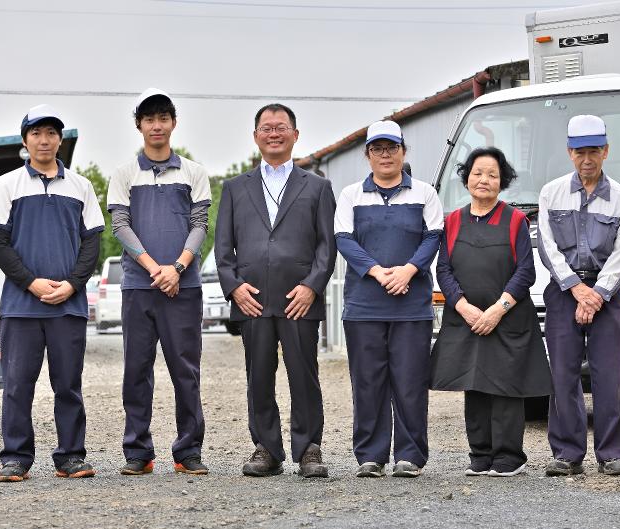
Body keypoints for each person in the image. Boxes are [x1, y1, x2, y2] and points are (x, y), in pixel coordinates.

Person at [215, 103, 336, 478]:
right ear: (256, 136)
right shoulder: (235, 188)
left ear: (295, 135)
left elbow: (327, 245)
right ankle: (266, 448)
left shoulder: (317, 186)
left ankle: (309, 448)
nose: (273, 133)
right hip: (252, 298)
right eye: (266, 128)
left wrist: (312, 286)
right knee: (258, 377)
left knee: (304, 375)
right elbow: (223, 248)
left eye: (281, 127)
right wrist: (234, 288)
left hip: (299, 298)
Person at [0, 104, 104, 482]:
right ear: (25, 140)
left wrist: (72, 285)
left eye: (51, 133)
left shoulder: (81, 186)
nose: (44, 140)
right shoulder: (7, 185)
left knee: (68, 385)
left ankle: (70, 456)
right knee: (18, 387)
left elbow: (92, 243)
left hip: (68, 307)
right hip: (21, 306)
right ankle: (16, 458)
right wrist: (31, 282)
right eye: (36, 133)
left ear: (60, 140)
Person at [107, 88, 211, 476]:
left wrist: (178, 268)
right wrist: (156, 269)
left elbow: (200, 225)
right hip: (139, 286)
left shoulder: (194, 172)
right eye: (149, 119)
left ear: (173, 123)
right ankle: (138, 451)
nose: (156, 125)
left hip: (184, 288)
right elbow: (121, 226)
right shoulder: (124, 174)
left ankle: (188, 451)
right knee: (136, 370)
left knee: (186, 370)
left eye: (163, 118)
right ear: (139, 125)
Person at [430, 147, 552, 477]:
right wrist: (463, 307)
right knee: (474, 385)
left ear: (502, 181)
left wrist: (498, 310)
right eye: (478, 173)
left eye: (492, 175)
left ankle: (509, 458)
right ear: (467, 178)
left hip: (508, 319)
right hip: (466, 319)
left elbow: (525, 272)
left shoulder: (515, 220)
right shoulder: (452, 221)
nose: (484, 179)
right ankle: (480, 455)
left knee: (506, 386)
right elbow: (443, 270)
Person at [334, 120, 443, 478]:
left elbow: (433, 237)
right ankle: (371, 455)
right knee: (368, 382)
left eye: (391, 148)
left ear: (403, 151)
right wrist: (379, 273)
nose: (385, 155)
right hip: (364, 307)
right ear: (367, 155)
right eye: (377, 149)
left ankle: (410, 455)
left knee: (410, 381)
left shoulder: (425, 193)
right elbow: (344, 240)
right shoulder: (351, 195)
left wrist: (408, 271)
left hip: (411, 306)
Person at [537, 115, 620, 476]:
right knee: (562, 375)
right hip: (564, 291)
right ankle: (567, 453)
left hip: (606, 294)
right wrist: (576, 289)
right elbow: (547, 247)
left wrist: (596, 295)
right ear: (570, 153)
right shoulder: (551, 193)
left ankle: (612, 454)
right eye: (580, 152)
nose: (587, 159)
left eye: (594, 151)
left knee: (610, 375)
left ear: (606, 151)